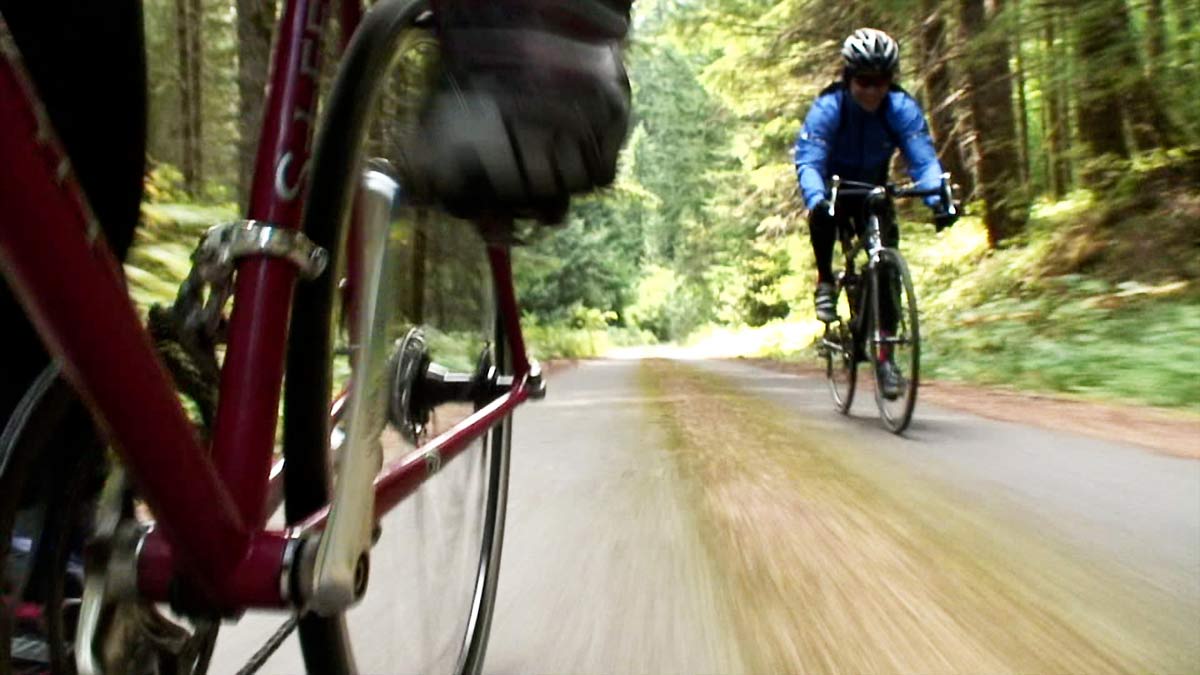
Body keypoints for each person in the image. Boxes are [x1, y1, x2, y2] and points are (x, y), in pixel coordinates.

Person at [792, 27, 956, 398]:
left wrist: (939, 200)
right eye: (864, 81)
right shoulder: (829, 108)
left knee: (887, 275)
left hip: (875, 190)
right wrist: (817, 196)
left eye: (881, 81)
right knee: (821, 213)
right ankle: (825, 282)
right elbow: (809, 159)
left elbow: (923, 158)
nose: (872, 91)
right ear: (849, 78)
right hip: (836, 186)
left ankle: (885, 359)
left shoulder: (899, 108)